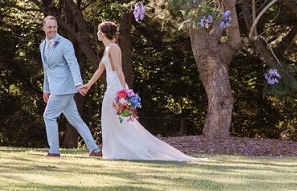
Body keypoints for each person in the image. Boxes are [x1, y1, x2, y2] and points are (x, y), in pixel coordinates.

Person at [82, 21, 204, 161]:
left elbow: (119, 70)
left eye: (98, 31)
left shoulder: (113, 49)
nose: (97, 33)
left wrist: (123, 92)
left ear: (102, 34)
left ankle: (129, 149)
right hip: (111, 87)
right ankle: (113, 149)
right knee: (109, 118)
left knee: (120, 120)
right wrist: (88, 85)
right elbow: (100, 69)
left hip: (116, 87)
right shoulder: (107, 48)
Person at [40, 15, 101, 158]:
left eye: (54, 27)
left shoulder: (65, 43)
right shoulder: (42, 45)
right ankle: (95, 150)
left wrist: (78, 83)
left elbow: (73, 64)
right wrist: (46, 89)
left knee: (48, 116)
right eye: (49, 27)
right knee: (76, 120)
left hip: (64, 87)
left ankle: (54, 151)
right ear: (43, 28)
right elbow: (46, 70)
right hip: (55, 88)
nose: (52, 30)